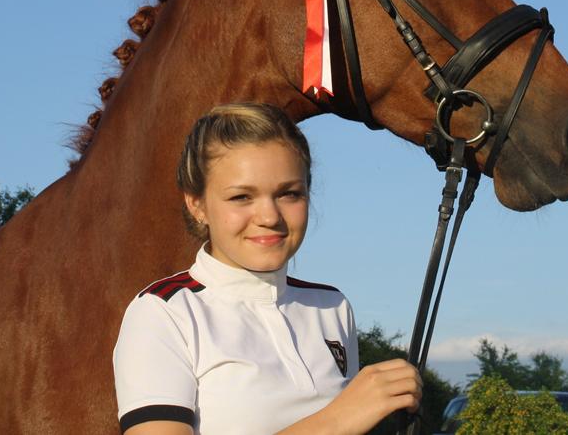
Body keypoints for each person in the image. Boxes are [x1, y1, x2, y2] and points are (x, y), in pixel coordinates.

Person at [113, 102, 422, 435]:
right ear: (197, 204)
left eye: (289, 193)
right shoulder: (162, 313)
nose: (270, 216)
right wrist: (338, 419)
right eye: (242, 197)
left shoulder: (331, 306)